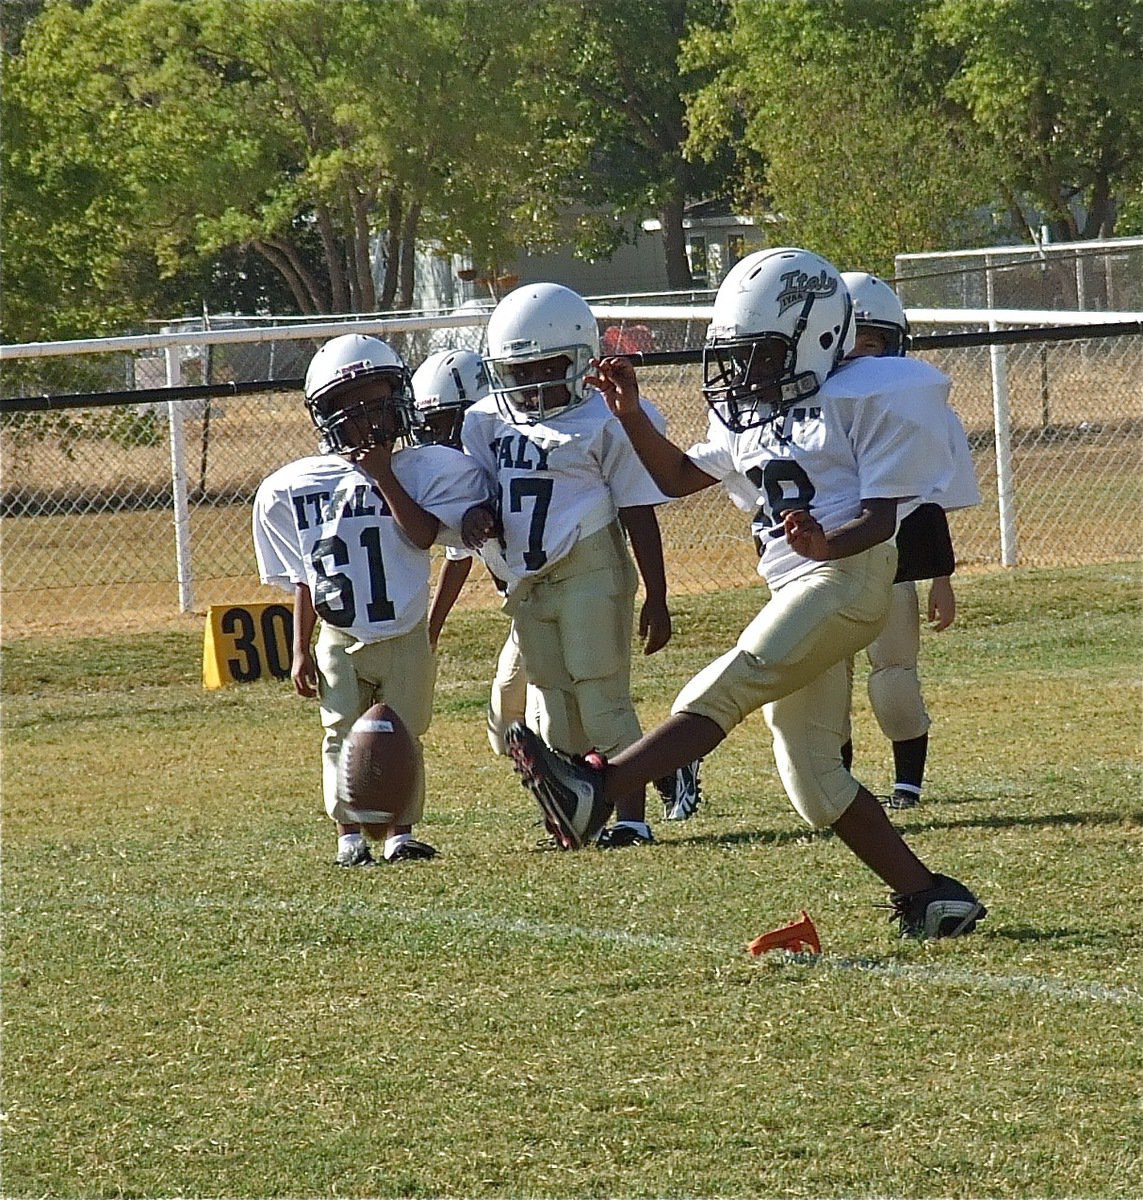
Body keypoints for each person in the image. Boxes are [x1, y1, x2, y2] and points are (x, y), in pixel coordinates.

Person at [504, 248, 987, 938]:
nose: (745, 371)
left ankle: (597, 788)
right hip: (798, 586)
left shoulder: (875, 390)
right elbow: (673, 477)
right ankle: (932, 897)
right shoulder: (753, 412)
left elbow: (880, 516)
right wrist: (631, 412)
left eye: (759, 353)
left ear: (816, 337)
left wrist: (827, 542)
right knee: (812, 776)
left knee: (731, 679)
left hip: (848, 580)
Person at [422, 335, 704, 825]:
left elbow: (637, 508)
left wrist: (657, 595)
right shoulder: (487, 420)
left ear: (576, 359)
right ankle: (579, 808)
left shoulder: (602, 419)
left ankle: (631, 819)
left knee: (601, 697)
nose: (533, 383)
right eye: (521, 371)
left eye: (545, 366)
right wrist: (476, 516)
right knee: (553, 711)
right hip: (529, 584)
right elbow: (489, 492)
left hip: (588, 567)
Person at [252, 334, 488, 867]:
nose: (367, 420)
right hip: (339, 635)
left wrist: (383, 475)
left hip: (404, 629)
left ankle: (401, 834)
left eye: (377, 401)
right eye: (350, 408)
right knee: (339, 733)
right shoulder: (293, 487)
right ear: (326, 415)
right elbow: (305, 578)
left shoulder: (423, 469)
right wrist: (300, 648)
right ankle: (350, 838)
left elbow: (425, 536)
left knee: (405, 734)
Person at [840, 271, 981, 810]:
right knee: (825, 684)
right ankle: (837, 783)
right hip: (821, 563)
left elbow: (933, 500)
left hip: (891, 559)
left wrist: (941, 580)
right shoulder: (811, 410)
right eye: (846, 341)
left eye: (870, 341)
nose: (858, 355)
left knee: (894, 675)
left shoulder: (924, 409)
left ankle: (907, 783)